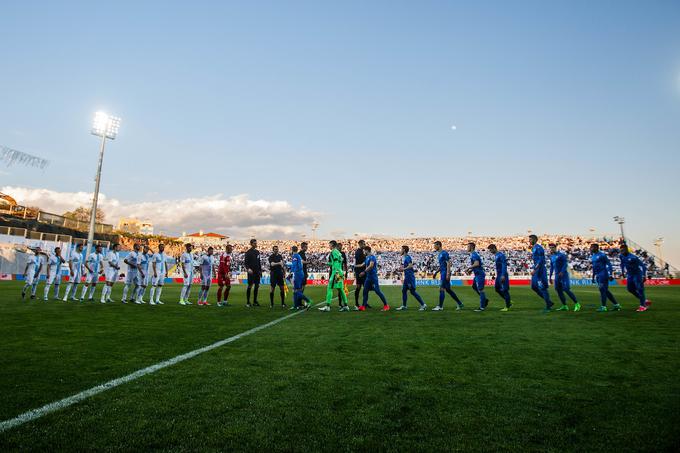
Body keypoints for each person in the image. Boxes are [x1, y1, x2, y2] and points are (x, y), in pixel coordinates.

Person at [432, 241, 463, 311]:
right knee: (448, 290)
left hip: (445, 273)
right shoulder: (440, 254)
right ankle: (460, 303)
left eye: (435, 245)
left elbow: (448, 263)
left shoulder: (444, 253)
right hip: (443, 272)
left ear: (439, 245)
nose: (434, 247)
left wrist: (448, 273)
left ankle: (440, 306)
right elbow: (442, 265)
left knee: (441, 289)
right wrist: (436, 272)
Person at [548, 243, 580, 311]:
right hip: (557, 276)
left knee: (566, 289)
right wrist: (550, 277)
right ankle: (564, 306)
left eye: (552, 247)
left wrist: (562, 272)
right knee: (558, 290)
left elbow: (565, 264)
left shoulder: (561, 255)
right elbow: (551, 267)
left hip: (564, 275)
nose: (551, 249)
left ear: (555, 247)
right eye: (550, 247)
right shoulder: (552, 256)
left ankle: (577, 304)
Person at [319, 240, 350, 312]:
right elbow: (335, 262)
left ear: (332, 245)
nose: (329, 246)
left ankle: (327, 306)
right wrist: (326, 263)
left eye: (329, 245)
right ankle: (346, 305)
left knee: (329, 288)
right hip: (340, 272)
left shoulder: (333, 252)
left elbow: (335, 263)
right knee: (340, 289)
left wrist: (335, 273)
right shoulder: (339, 253)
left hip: (336, 272)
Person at [619, 243, 650, 312]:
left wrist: (644, 275)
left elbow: (643, 266)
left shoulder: (633, 257)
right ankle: (645, 300)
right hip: (630, 275)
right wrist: (622, 272)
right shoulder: (621, 256)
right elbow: (622, 264)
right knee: (630, 289)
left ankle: (643, 306)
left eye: (623, 250)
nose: (622, 252)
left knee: (640, 289)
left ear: (627, 250)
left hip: (637, 274)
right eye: (621, 251)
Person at [590, 243, 620, 312]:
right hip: (598, 275)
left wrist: (610, 275)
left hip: (603, 274)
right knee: (605, 290)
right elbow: (594, 267)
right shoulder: (593, 256)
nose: (590, 249)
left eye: (592, 247)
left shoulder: (602, 255)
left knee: (602, 289)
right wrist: (593, 276)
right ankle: (616, 305)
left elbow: (608, 264)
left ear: (596, 248)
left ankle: (603, 307)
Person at [396, 245, 426, 311]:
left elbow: (410, 266)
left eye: (401, 249)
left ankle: (423, 305)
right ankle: (404, 306)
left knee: (412, 292)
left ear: (404, 250)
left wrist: (403, 269)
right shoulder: (405, 258)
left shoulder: (407, 257)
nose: (400, 251)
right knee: (403, 291)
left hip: (409, 277)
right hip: (407, 277)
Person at [359, 245, 389, 311]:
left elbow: (371, 265)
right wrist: (354, 266)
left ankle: (386, 305)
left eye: (364, 251)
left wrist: (364, 272)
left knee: (377, 291)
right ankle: (363, 306)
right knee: (365, 291)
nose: (363, 252)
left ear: (367, 250)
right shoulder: (367, 258)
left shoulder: (372, 257)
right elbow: (362, 264)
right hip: (368, 278)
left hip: (373, 277)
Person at [529, 235, 554, 312]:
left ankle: (548, 306)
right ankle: (549, 302)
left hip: (540, 269)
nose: (529, 241)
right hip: (536, 269)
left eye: (530, 239)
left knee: (543, 288)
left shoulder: (539, 248)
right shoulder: (533, 248)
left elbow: (541, 260)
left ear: (535, 239)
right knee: (534, 287)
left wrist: (535, 269)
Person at [487, 244, 512, 311]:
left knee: (504, 290)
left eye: (490, 250)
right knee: (497, 289)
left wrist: (503, 275)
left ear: (494, 248)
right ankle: (508, 301)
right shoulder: (496, 255)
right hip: (498, 274)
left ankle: (507, 306)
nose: (490, 251)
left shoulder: (501, 255)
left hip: (502, 274)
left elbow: (504, 265)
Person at [467, 242, 488, 312]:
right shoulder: (473, 255)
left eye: (468, 246)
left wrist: (469, 268)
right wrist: (471, 270)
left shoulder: (474, 255)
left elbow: (477, 264)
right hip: (477, 274)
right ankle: (484, 299)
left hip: (479, 274)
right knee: (474, 286)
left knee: (481, 290)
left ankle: (482, 307)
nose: (467, 248)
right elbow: (476, 265)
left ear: (472, 247)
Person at [291, 245, 312, 309]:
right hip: (301, 273)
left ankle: (308, 301)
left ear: (292, 250)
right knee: (295, 290)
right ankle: (295, 305)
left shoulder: (295, 256)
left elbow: (294, 265)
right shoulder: (299, 256)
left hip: (297, 274)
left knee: (296, 290)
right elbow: (301, 264)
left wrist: (292, 273)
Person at [244, 239, 262, 307]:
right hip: (251, 272)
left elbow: (259, 262)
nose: (256, 244)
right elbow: (246, 263)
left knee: (257, 286)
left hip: (257, 272)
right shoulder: (248, 252)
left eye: (256, 243)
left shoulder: (257, 252)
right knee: (250, 286)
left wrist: (260, 271)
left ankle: (255, 301)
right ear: (251, 244)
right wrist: (248, 269)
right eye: (254, 243)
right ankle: (248, 302)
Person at [353, 240, 367, 309]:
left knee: (365, 288)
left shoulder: (362, 251)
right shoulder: (358, 252)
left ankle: (365, 303)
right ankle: (356, 303)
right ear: (360, 244)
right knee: (358, 288)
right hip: (359, 272)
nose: (365, 245)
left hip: (362, 271)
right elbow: (359, 263)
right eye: (364, 244)